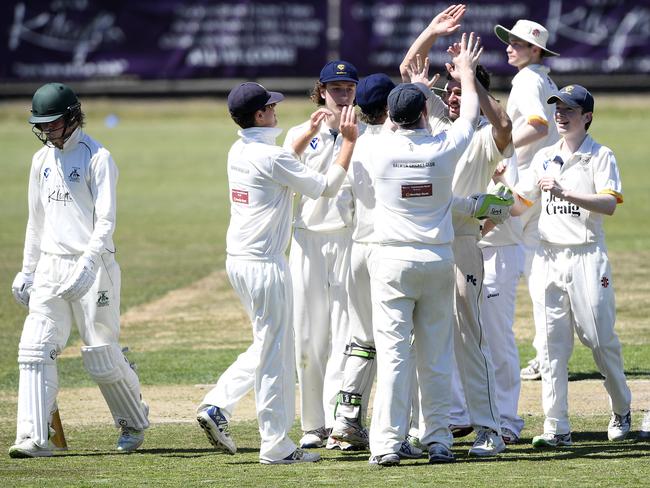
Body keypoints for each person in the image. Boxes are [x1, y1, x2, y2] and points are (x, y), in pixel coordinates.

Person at [195, 82, 358, 464]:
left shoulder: (240, 150)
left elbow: (280, 165)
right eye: (270, 106)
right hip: (265, 265)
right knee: (276, 354)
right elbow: (325, 187)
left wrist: (306, 139)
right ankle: (276, 444)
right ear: (259, 116)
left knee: (270, 342)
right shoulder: (271, 157)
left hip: (238, 260)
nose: (275, 110)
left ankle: (219, 404)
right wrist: (347, 141)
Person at [9, 82, 149, 458]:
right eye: (42, 126)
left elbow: (106, 221)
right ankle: (34, 437)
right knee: (35, 347)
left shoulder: (97, 157)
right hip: (52, 265)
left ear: (72, 117)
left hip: (94, 265)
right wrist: (27, 271)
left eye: (53, 124)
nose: (47, 132)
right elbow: (35, 221)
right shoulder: (41, 161)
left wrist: (89, 263)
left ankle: (134, 420)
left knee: (101, 355)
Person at [398, 16, 514, 454]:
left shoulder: (480, 137)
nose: (449, 95)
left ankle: (489, 429)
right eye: (445, 90)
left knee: (469, 338)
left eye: (456, 92)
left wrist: (470, 79)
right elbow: (409, 69)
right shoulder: (435, 130)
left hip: (463, 245)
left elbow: (503, 127)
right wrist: (430, 30)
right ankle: (424, 429)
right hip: (425, 243)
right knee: (418, 341)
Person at [366, 32, 482, 467]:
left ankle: (386, 445)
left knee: (394, 356)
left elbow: (393, 126)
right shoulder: (443, 149)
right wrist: (465, 73)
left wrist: (418, 89)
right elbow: (468, 116)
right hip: (435, 260)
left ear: (392, 118)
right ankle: (438, 441)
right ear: (423, 116)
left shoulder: (375, 148)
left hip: (391, 261)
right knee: (435, 355)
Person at [507, 85, 632, 447]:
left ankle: (622, 407)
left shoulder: (600, 155)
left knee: (597, 338)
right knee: (549, 347)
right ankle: (556, 426)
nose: (561, 115)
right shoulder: (545, 156)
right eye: (558, 109)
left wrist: (563, 192)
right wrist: (502, 181)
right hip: (547, 256)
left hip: (587, 255)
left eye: (569, 110)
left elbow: (609, 204)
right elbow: (520, 204)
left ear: (587, 117)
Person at [328, 73, 422, 458]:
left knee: (363, 339)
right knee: (397, 344)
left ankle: (346, 420)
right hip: (389, 250)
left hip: (357, 248)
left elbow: (339, 201)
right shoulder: (394, 145)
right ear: (389, 107)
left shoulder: (356, 144)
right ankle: (399, 432)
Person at [282, 61, 359, 449]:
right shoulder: (300, 132)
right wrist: (309, 135)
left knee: (347, 333)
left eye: (348, 88)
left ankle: (340, 421)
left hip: (348, 238)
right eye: (335, 88)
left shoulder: (367, 133)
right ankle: (313, 424)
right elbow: (282, 175)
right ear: (321, 90)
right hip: (308, 239)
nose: (343, 94)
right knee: (309, 335)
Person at [493, 19, 561, 382]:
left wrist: (499, 149)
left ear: (535, 50)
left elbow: (538, 124)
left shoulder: (529, 79)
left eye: (517, 43)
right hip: (540, 180)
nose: (509, 47)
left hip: (528, 184)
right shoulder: (543, 78)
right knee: (540, 273)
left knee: (525, 271)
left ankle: (544, 355)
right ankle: (548, 353)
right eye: (509, 41)